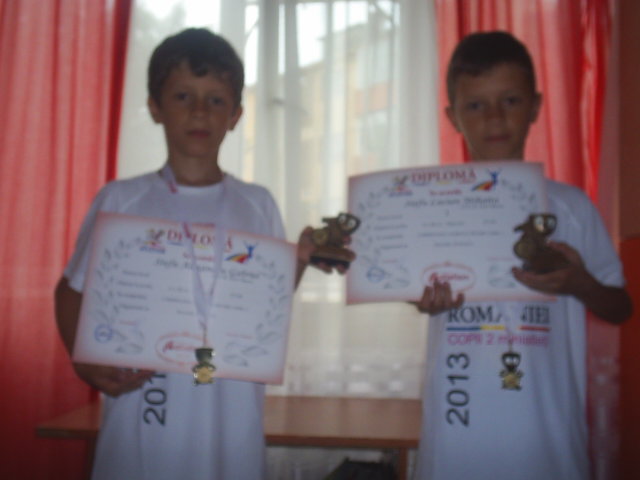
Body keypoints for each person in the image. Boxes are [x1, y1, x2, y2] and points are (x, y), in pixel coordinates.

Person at [54, 28, 344, 480]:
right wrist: (84, 359)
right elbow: (70, 291)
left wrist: (300, 260)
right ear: (155, 107)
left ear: (235, 115)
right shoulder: (121, 200)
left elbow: (263, 302)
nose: (199, 111)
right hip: (139, 412)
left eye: (215, 99)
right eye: (183, 95)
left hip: (228, 416)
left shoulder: (257, 204)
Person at [412, 31, 632, 480]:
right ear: (453, 117)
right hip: (456, 441)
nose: (494, 117)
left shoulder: (571, 208)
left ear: (535, 106)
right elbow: (410, 286)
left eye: (510, 101)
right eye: (476, 105)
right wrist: (422, 299)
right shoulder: (432, 207)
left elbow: (620, 306)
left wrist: (579, 283)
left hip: (549, 443)